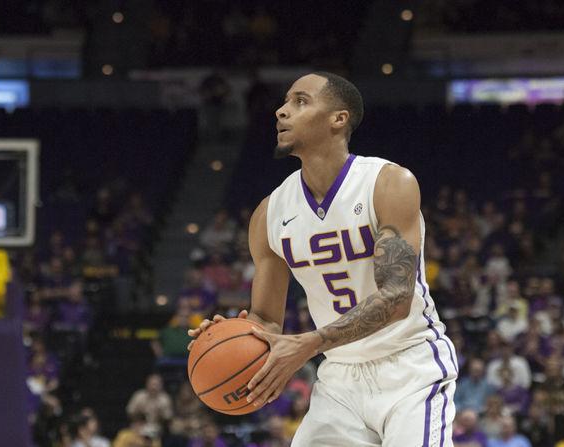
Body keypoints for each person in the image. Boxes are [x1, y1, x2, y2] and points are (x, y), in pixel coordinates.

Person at [188, 72, 458, 446]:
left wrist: (310, 343)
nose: (281, 111)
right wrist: (234, 336)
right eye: (284, 102)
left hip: (410, 366)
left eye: (300, 101)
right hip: (340, 378)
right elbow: (267, 320)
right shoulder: (269, 214)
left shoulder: (388, 183)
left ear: (338, 118)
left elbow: (396, 297)